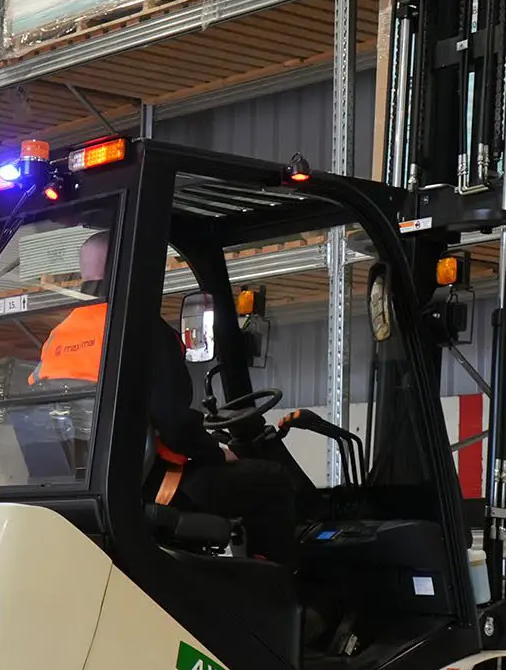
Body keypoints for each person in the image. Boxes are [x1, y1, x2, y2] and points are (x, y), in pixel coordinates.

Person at [32, 231, 305, 565]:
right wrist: (217, 454)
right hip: (155, 487)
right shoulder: (141, 329)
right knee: (272, 481)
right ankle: (279, 595)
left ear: (84, 272)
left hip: (89, 489)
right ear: (128, 264)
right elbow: (173, 421)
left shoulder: (56, 339)